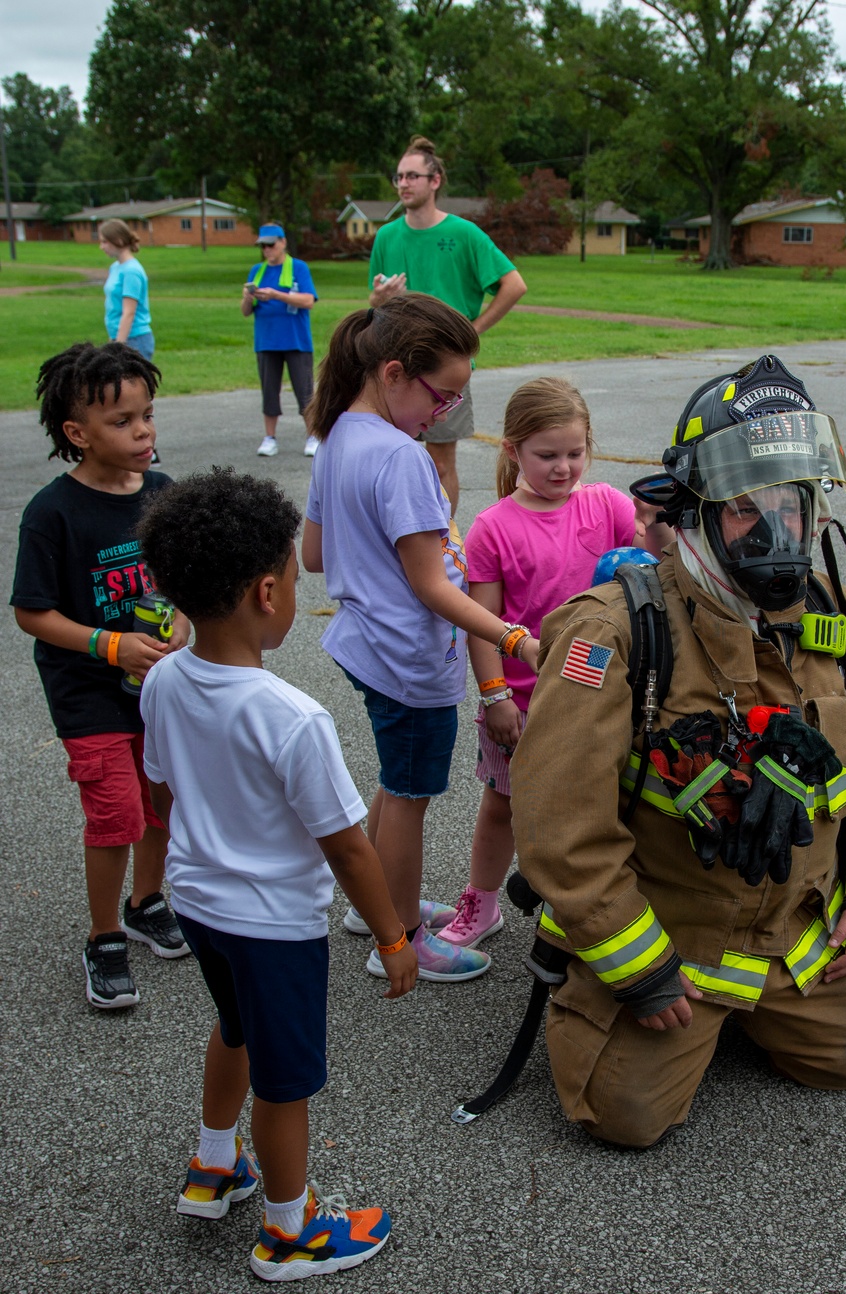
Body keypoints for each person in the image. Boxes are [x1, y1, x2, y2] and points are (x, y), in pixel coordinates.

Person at [509, 354, 846, 1147]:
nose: (777, 529)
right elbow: (559, 828)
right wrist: (639, 968)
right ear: (696, 511)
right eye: (745, 508)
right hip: (672, 933)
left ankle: (757, 1007)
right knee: (623, 1115)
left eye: (792, 503)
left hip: (798, 934)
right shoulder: (615, 632)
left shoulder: (837, 621)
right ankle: (622, 995)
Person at [137, 467, 418, 1282]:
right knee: (286, 1081)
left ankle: (213, 1162)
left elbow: (163, 785)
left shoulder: (160, 679)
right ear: (267, 591)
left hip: (198, 903)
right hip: (273, 926)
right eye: (296, 577)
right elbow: (348, 847)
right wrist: (396, 936)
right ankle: (286, 1233)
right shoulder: (293, 718)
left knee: (235, 1028)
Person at [301, 292, 541, 984]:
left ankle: (371, 904)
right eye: (444, 396)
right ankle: (398, 935)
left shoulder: (338, 433)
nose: (446, 414)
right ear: (397, 372)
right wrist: (518, 641)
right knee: (410, 794)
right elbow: (435, 588)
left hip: (364, 647)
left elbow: (316, 554)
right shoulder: (404, 459)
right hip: (408, 659)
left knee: (395, 776)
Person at [435, 377, 672, 949]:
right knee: (503, 806)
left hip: (605, 692)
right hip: (525, 700)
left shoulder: (609, 505)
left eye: (575, 453)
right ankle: (483, 902)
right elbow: (480, 621)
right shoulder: (493, 527)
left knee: (610, 805)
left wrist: (663, 519)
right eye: (547, 456)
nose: (564, 468)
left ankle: (608, 906)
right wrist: (494, 698)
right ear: (512, 450)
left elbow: (654, 569)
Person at [10, 341, 191, 1010]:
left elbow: (177, 588)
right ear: (77, 433)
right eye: (123, 422)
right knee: (115, 813)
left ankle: (148, 902)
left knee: (162, 801)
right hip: (88, 691)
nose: (143, 431)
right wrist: (109, 646)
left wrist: (179, 629)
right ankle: (104, 936)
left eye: (148, 415)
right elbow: (32, 612)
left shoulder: (165, 495)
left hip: (157, 689)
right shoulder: (54, 513)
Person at [368, 135, 527, 514]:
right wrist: (379, 301)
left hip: (444, 368)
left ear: (435, 180)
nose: (403, 184)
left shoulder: (464, 234)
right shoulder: (387, 236)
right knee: (387, 461)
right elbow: (372, 303)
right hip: (393, 367)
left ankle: (443, 542)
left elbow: (514, 284)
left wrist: (473, 330)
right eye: (399, 177)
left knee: (440, 465)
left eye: (412, 176)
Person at [241, 223, 319, 458]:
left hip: (296, 341)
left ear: (283, 242)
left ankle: (313, 435)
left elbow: (308, 301)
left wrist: (275, 294)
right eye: (263, 246)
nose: (267, 250)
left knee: (304, 391)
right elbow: (246, 311)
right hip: (267, 341)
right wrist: (248, 297)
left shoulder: (298, 267)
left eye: (271, 244)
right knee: (269, 391)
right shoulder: (258, 270)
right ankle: (269, 437)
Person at [99, 219, 155, 361]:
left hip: (135, 340)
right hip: (119, 337)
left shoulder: (131, 271)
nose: (101, 246)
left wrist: (118, 346)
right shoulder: (115, 267)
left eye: (105, 242)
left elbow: (129, 312)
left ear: (118, 240)